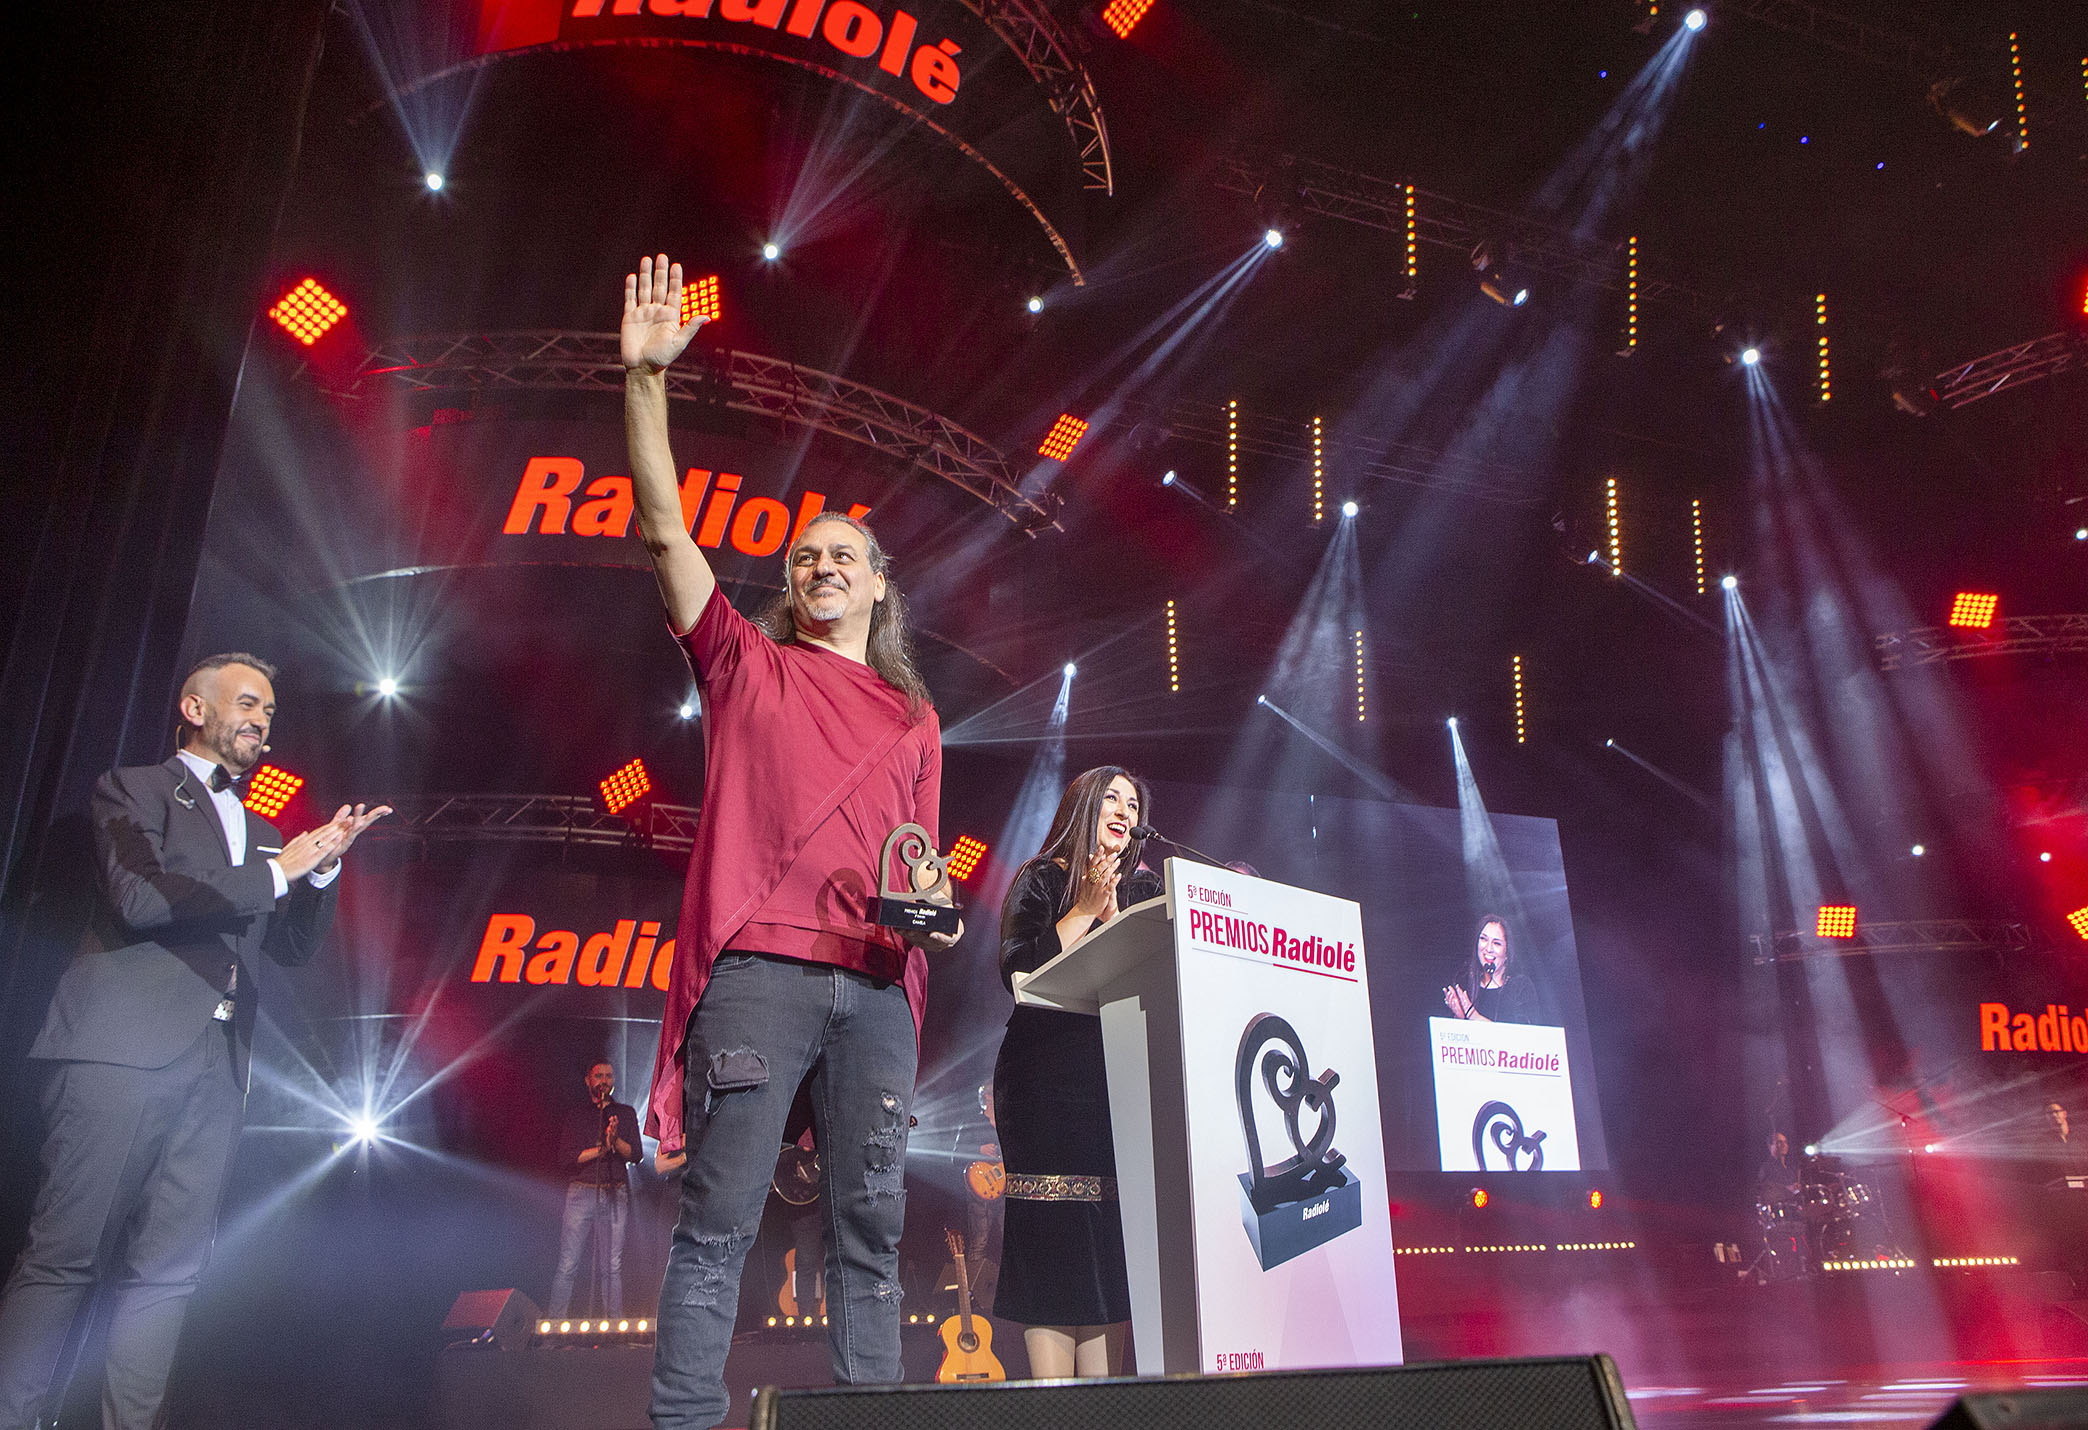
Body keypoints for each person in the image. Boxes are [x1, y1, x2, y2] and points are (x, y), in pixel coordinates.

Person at [620, 255, 959, 1430]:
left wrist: (931, 911)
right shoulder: (743, 664)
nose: (820, 566)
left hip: (875, 992)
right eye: (805, 555)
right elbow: (665, 530)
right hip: (759, 975)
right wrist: (645, 382)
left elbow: (923, 875)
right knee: (720, 1219)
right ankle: (684, 1419)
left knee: (872, 1228)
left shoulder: (915, 718)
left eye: (842, 555)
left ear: (878, 587)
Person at [0, 653, 388, 1430]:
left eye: (269, 711)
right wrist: (278, 875)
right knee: (64, 1256)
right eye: (246, 703)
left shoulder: (267, 831)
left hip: (218, 1066)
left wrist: (320, 872)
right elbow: (141, 900)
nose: (261, 720)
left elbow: (288, 948)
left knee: (168, 1274)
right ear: (194, 708)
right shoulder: (133, 788)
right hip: (119, 1049)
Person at [992, 766, 1158, 1379]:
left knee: (1109, 1237)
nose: (1123, 810)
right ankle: (1056, 1397)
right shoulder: (1042, 879)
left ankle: (1101, 1399)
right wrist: (1085, 910)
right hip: (1043, 1081)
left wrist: (1113, 915)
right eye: (1111, 797)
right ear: (1085, 805)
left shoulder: (1145, 892)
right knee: (1054, 1233)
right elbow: (1018, 974)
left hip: (1119, 1076)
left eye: (1133, 804)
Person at [547, 1059, 641, 1318]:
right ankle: (554, 1326)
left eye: (609, 1076)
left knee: (612, 1265)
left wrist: (615, 1140)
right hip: (581, 1192)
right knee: (568, 1263)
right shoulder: (576, 1115)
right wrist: (600, 1150)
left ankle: (613, 1327)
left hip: (615, 1192)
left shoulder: (625, 1113)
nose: (604, 1081)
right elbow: (567, 1157)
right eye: (599, 1076)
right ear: (588, 1080)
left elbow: (636, 1155)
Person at [1441, 913, 1541, 1025]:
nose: (1488, 949)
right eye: (1483, 939)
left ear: (1507, 952)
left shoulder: (1520, 987)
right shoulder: (1466, 984)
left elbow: (1522, 1034)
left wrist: (1472, 1015)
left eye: (1496, 943)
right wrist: (1460, 1018)